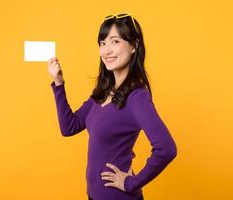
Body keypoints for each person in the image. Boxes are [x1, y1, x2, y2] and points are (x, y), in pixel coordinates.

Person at [48, 13, 177, 200]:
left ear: (134, 46)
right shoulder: (103, 91)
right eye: (102, 43)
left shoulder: (136, 96)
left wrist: (130, 183)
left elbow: (167, 148)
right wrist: (58, 83)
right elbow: (69, 127)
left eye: (115, 42)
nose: (106, 50)